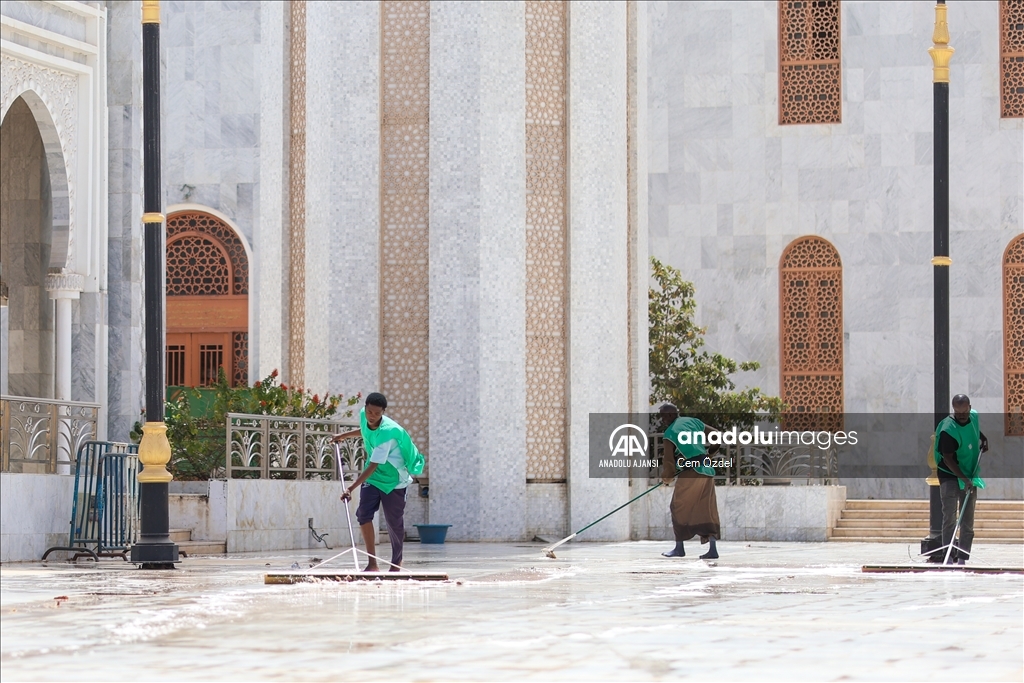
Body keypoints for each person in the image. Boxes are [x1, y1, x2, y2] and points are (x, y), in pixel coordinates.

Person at [333, 392, 424, 572]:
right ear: (365, 408)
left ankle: (396, 563)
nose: (372, 416)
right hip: (374, 478)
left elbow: (373, 464)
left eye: (376, 413)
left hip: (393, 480)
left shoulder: (388, 433)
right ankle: (372, 563)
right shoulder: (364, 416)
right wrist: (344, 435)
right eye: (369, 412)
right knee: (363, 515)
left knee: (393, 521)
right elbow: (365, 430)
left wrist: (350, 488)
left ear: (383, 412)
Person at [658, 403, 721, 560]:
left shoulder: (669, 433)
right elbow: (716, 434)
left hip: (691, 472)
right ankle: (712, 549)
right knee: (707, 508)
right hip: (706, 469)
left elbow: (669, 464)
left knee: (677, 506)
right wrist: (710, 453)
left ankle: (679, 548)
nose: (662, 420)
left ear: (670, 415)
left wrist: (666, 478)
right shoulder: (693, 421)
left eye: (663, 416)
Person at [933, 394, 988, 565]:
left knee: (967, 520)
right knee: (949, 517)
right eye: (958, 413)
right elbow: (948, 459)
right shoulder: (948, 430)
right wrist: (964, 479)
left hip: (968, 472)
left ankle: (963, 558)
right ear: (954, 410)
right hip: (949, 474)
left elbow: (974, 429)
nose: (962, 416)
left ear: (969, 408)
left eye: (965, 412)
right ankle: (948, 556)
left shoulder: (973, 417)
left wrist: (983, 439)